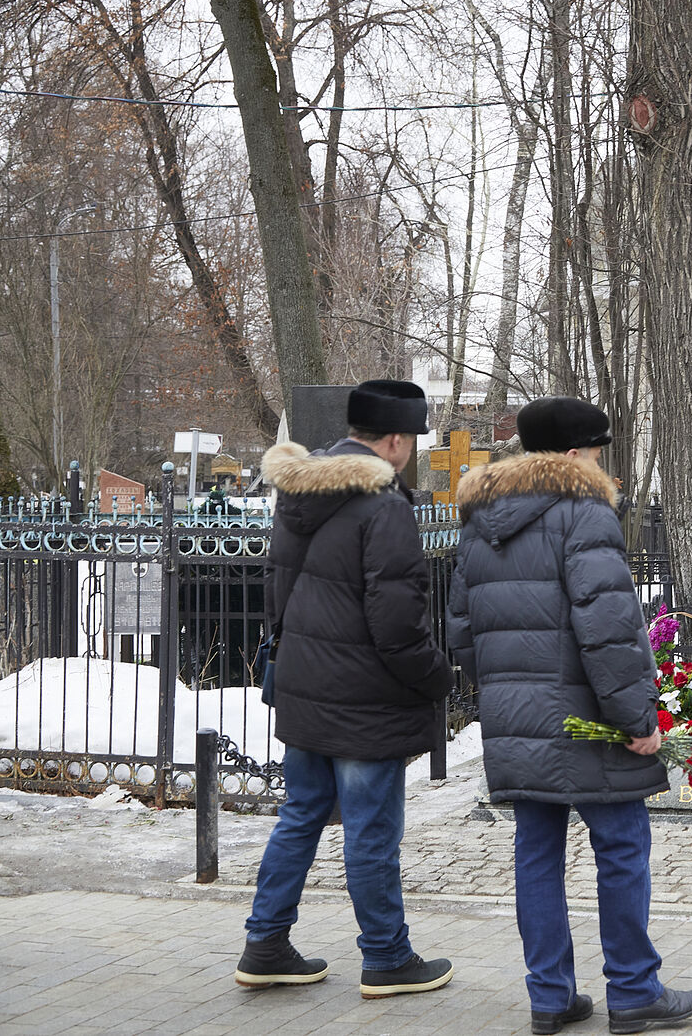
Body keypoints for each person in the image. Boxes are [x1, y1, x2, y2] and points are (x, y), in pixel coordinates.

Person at [447, 396, 692, 1036]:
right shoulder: (583, 515)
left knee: (535, 853)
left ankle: (550, 997)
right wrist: (638, 718)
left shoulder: (480, 520)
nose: (603, 466)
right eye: (597, 452)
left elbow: (460, 632)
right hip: (588, 718)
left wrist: (510, 695)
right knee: (621, 848)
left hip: (518, 720)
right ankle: (633, 991)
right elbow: (611, 630)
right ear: (572, 455)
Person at [235, 379, 456, 1000]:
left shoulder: (298, 492)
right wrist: (437, 678)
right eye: (411, 439)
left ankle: (266, 943)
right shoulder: (383, 505)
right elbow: (398, 624)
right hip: (365, 698)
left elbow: (277, 593)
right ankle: (386, 957)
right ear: (394, 439)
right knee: (370, 829)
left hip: (306, 686)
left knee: (301, 815)